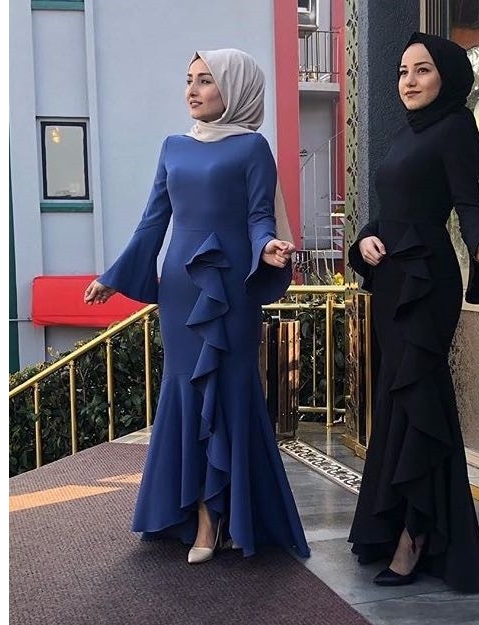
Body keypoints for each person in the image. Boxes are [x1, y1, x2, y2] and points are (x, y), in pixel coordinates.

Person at [84, 48, 310, 563]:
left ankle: (224, 517)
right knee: (185, 389)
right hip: (182, 289)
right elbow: (152, 221)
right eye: (189, 79)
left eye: (206, 80)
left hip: (232, 288)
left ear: (234, 87)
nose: (192, 89)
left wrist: (266, 248)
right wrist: (114, 276)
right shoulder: (172, 147)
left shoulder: (252, 148)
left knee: (230, 390)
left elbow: (259, 217)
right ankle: (199, 516)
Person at [347, 32, 479, 593]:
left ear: (447, 75)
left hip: (427, 284)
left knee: (420, 397)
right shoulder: (403, 134)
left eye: (421, 69)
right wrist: (366, 239)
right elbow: (389, 210)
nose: (409, 80)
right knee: (397, 401)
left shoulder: (455, 128)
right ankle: (395, 524)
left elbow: (467, 203)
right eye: (402, 71)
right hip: (392, 279)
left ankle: (415, 536)